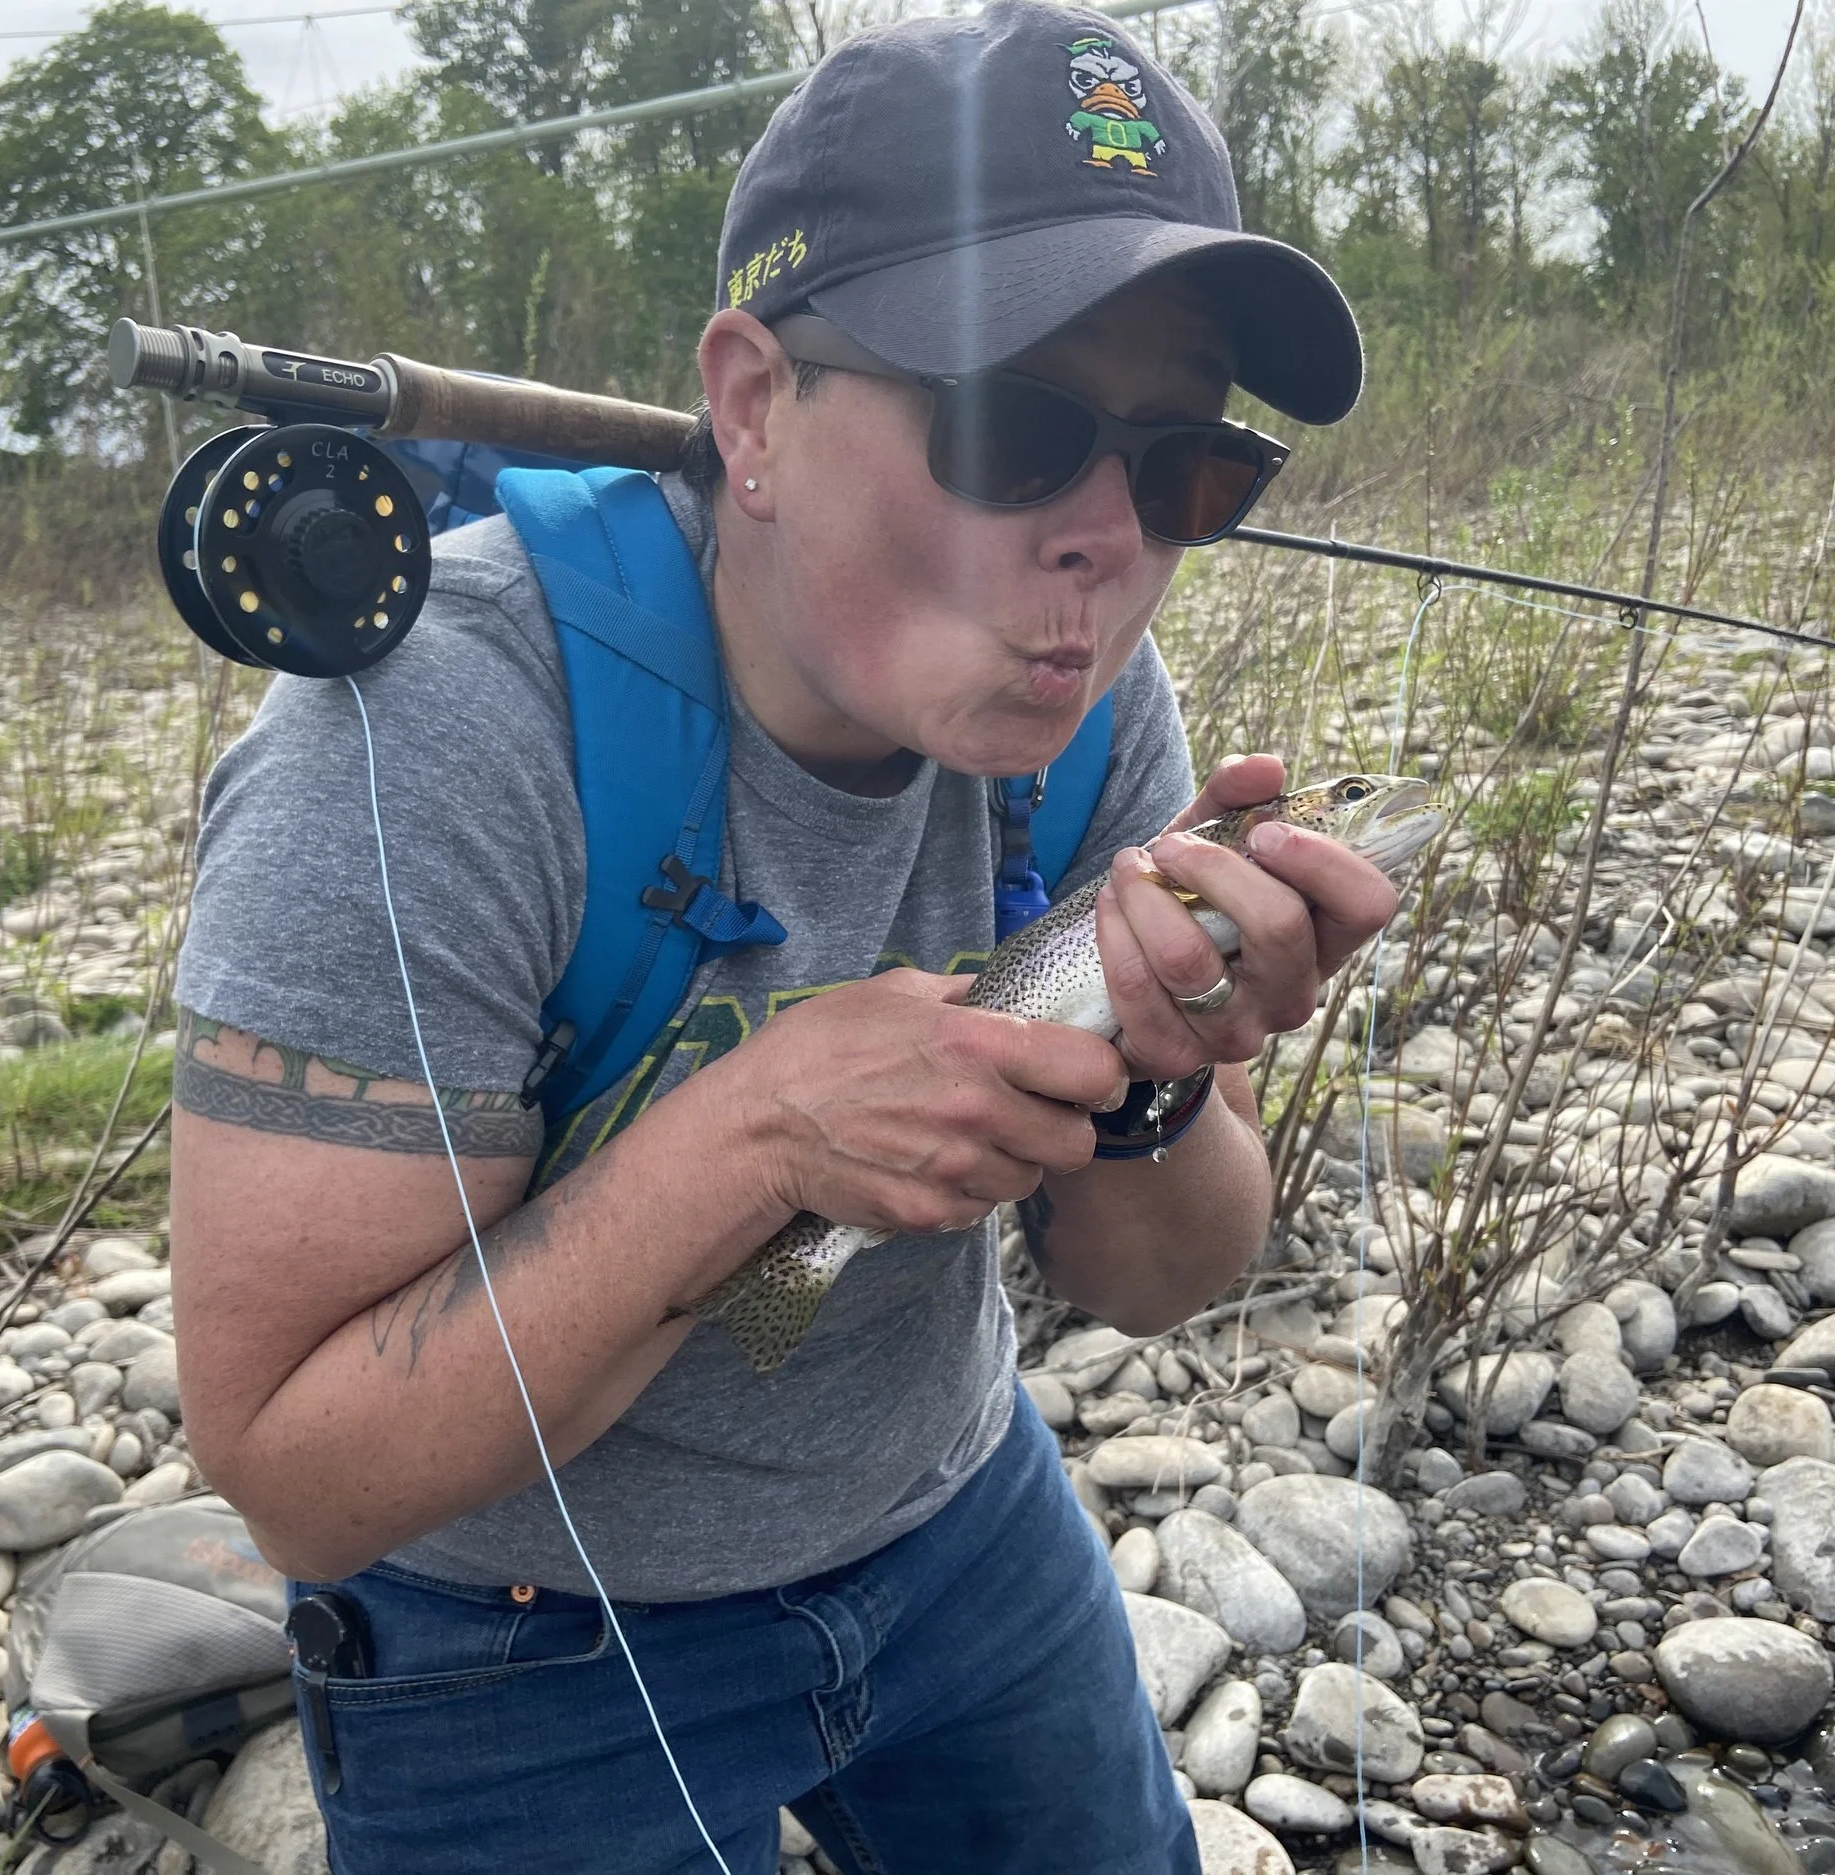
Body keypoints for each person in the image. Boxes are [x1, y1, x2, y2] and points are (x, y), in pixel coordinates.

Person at [167, 4, 1392, 1869]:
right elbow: (297, 1471)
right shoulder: (437, 741)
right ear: (754, 408)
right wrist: (758, 1138)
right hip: (520, 1638)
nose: (1102, 541)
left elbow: (1161, 1275)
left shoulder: (1094, 709)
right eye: (1017, 424)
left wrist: (1159, 1073)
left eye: (1180, 467)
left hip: (957, 1523)